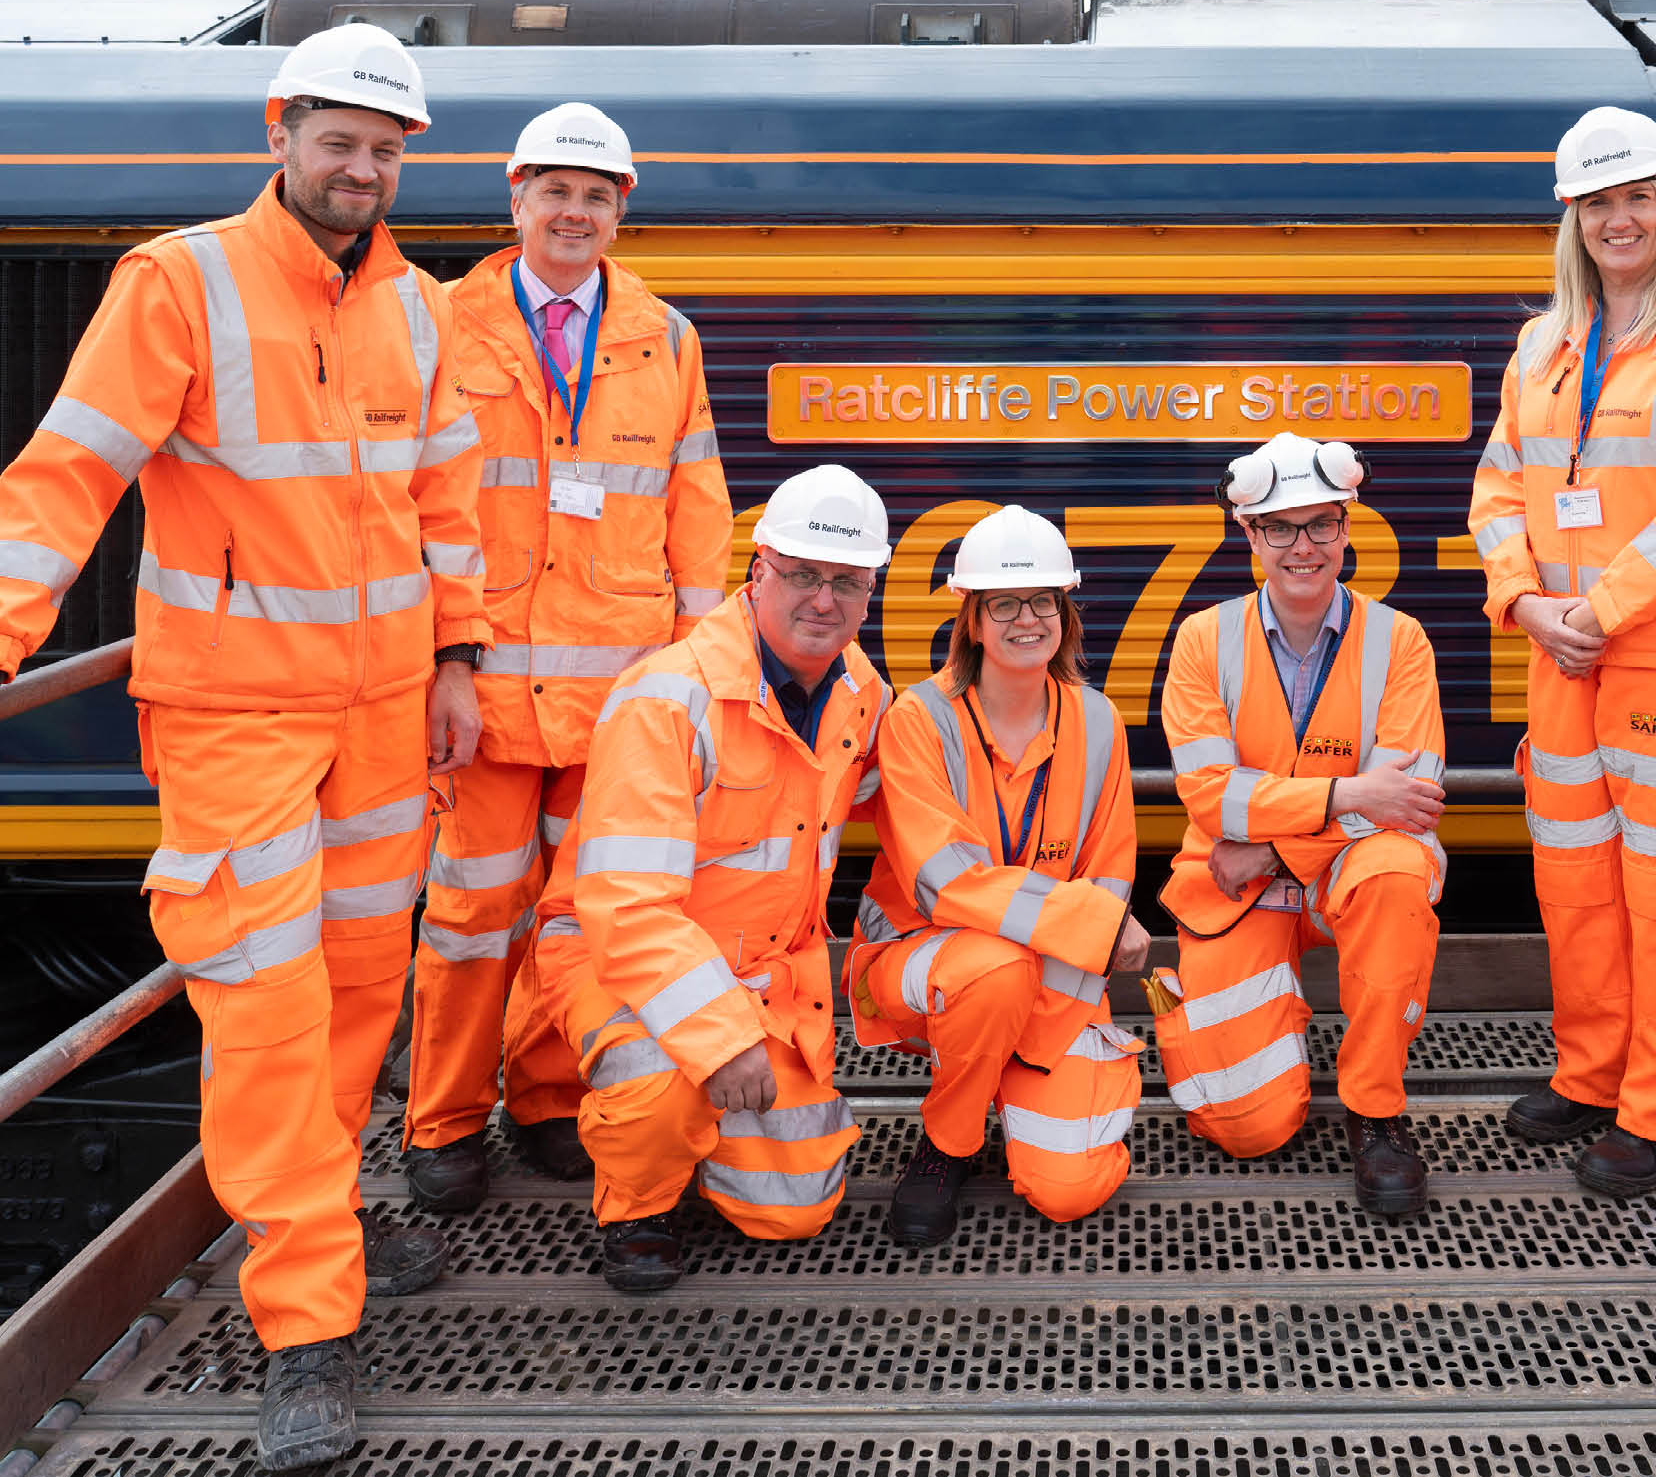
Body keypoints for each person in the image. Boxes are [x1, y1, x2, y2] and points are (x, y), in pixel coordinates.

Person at [0, 26, 485, 1469]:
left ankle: (317, 1214)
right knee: (268, 1008)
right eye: (340, 139)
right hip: (237, 718)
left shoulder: (413, 307)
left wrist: (458, 654)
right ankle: (304, 1322)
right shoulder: (182, 281)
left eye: (386, 148)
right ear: (283, 130)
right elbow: (64, 475)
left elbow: (446, 500)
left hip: (388, 714)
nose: (362, 168)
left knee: (351, 995)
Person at [403, 103, 732, 1213]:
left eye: (596, 195)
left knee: (580, 917)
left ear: (621, 212)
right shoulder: (443, 325)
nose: (575, 212)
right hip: (485, 689)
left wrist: (697, 674)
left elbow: (697, 509)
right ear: (516, 198)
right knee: (468, 914)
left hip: (622, 705)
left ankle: (545, 1100)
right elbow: (414, 502)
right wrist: (436, 658)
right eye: (556, 191)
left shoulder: (664, 337)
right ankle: (443, 1124)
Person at [1466, 107, 1656, 1197]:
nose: (1619, 218)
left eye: (1637, 195)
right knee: (1580, 886)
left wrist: (1597, 608)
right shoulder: (1543, 342)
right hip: (1560, 659)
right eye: (1599, 202)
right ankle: (1593, 1076)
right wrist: (1522, 601)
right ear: (1573, 219)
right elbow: (1500, 486)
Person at [521, 464, 890, 1293]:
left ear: (870, 591)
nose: (823, 600)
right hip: (619, 959)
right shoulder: (668, 699)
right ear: (757, 571)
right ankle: (637, 1205)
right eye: (801, 574)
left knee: (792, 1208)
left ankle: (698, 1124)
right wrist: (718, 1038)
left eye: (846, 582)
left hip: (763, 972)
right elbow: (627, 907)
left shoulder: (861, 694)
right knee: (663, 1088)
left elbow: (882, 801)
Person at [1153, 433, 1447, 1216]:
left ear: (1347, 528)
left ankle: (1376, 1111)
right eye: (1279, 528)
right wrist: (1349, 798)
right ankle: (1265, 1039)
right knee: (1248, 1127)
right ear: (1248, 536)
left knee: (1398, 869)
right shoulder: (1201, 640)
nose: (1302, 546)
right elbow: (1212, 800)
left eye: (1320, 524)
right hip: (1240, 888)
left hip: (1313, 872)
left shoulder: (1401, 642)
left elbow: (1407, 800)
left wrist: (1272, 842)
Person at [848, 505, 1148, 1245]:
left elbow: (1109, 873)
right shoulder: (918, 719)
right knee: (996, 969)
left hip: (1049, 982)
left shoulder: (1097, 721)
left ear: (1064, 613)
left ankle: (1012, 1080)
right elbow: (944, 881)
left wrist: (1046, 1026)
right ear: (973, 620)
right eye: (1004, 603)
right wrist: (1090, 925)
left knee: (1067, 1190)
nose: (1027, 618)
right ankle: (949, 1142)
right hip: (920, 966)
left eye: (1044, 600)